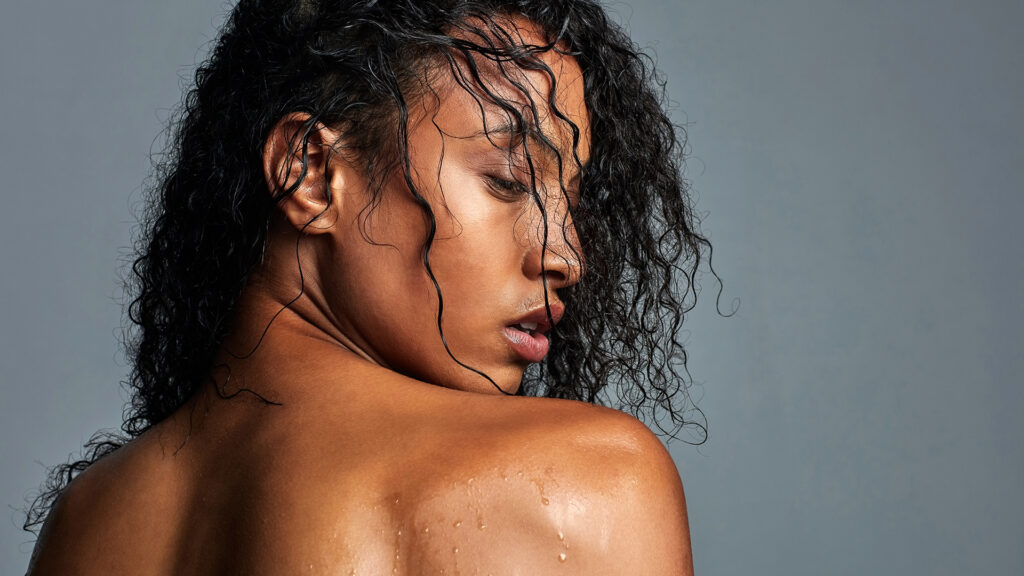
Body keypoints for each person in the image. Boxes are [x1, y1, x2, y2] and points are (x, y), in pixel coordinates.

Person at [24, 0, 715, 573]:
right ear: (312, 171)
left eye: (573, 201)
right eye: (508, 179)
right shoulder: (588, 480)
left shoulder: (85, 522)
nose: (567, 254)